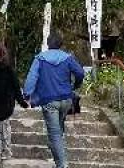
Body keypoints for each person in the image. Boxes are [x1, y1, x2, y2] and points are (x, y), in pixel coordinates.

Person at [24, 33, 85, 168]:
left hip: (49, 101)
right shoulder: (68, 58)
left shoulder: (40, 58)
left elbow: (31, 78)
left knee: (55, 134)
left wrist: (27, 94)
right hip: (66, 100)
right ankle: (58, 158)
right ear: (60, 44)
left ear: (48, 44)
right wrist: (75, 85)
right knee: (58, 129)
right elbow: (80, 72)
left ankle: (62, 164)